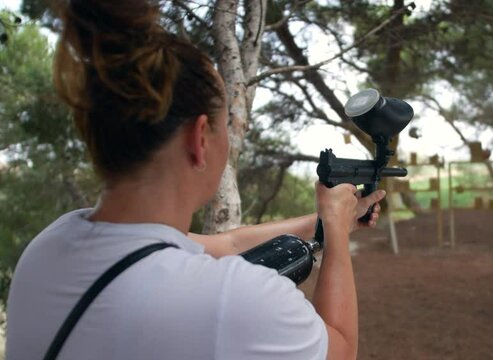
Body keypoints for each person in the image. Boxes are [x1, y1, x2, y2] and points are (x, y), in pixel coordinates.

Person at [5, 1, 385, 359]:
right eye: (224, 127)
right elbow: (340, 347)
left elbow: (229, 242)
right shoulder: (231, 299)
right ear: (200, 138)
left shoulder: (50, 246)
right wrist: (333, 233)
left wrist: (329, 218)